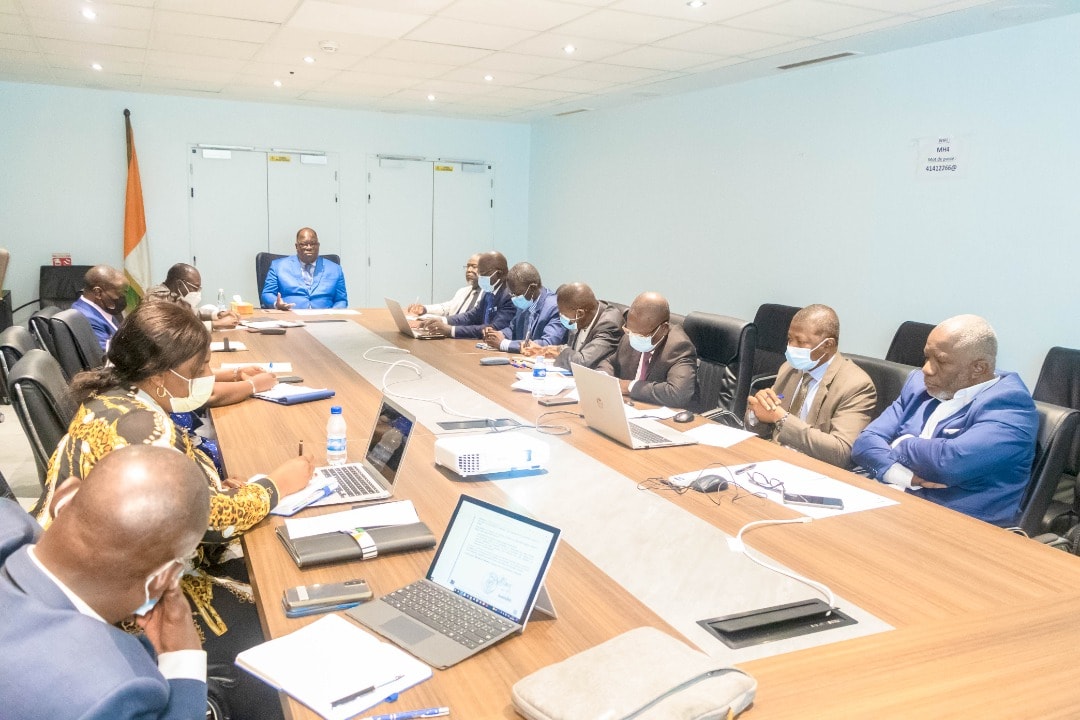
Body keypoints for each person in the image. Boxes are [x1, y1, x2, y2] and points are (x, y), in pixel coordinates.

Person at [40, 300, 313, 720]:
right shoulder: (141, 428)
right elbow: (210, 524)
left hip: (90, 583)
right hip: (124, 610)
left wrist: (208, 481)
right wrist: (277, 484)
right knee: (284, 607)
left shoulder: (116, 399)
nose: (207, 377)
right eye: (200, 368)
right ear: (163, 375)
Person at [0, 445, 210, 720]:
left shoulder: (7, 514)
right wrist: (182, 658)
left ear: (63, 497)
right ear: (163, 578)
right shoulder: (113, 691)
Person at [851, 314, 1038, 526]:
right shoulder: (918, 385)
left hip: (955, 527)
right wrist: (899, 474)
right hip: (889, 505)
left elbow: (949, 463)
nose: (927, 369)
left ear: (979, 368)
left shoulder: (1011, 407)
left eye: (940, 361)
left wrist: (901, 443)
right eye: (926, 357)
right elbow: (865, 443)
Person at [745, 304, 876, 469]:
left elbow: (842, 452)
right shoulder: (789, 368)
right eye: (789, 339)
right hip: (775, 460)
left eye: (800, 342)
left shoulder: (856, 385)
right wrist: (756, 414)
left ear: (827, 345)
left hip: (815, 470)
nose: (791, 347)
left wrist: (781, 418)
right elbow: (763, 429)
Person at [596, 292, 697, 409]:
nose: (633, 337)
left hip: (666, 418)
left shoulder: (679, 346)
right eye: (630, 331)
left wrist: (630, 386)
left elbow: (677, 394)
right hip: (630, 407)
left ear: (663, 329)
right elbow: (610, 362)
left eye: (641, 335)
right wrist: (602, 376)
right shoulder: (632, 333)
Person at [521, 282, 623, 370]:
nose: (562, 317)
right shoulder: (581, 318)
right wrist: (545, 350)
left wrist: (559, 351)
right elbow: (572, 350)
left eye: (563, 314)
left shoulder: (609, 324)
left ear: (580, 313)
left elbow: (583, 362)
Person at [420, 250, 514, 339]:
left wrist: (451, 330)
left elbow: (494, 328)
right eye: (479, 273)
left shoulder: (509, 296)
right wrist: (443, 320)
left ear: (499, 274)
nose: (480, 277)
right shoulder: (489, 291)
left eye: (483, 274)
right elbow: (471, 316)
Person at [480, 262, 566, 353]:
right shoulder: (525, 301)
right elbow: (512, 329)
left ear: (532, 288)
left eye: (517, 294)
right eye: (511, 294)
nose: (514, 298)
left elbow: (547, 344)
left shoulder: (555, 307)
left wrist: (504, 344)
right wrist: (498, 335)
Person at [260, 227, 347, 310]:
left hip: (324, 319)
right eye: (304, 244)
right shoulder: (278, 266)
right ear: (296, 246)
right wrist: (277, 304)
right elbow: (267, 294)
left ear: (318, 245)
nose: (309, 247)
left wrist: (333, 313)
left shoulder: (335, 269)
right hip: (290, 317)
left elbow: (341, 300)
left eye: (313, 244)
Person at [146, 262, 239, 329]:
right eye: (195, 287)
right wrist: (216, 324)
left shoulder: (172, 294)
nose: (197, 292)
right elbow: (171, 330)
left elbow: (190, 312)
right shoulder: (156, 297)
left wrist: (219, 315)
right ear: (179, 284)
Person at [70, 264, 127, 350]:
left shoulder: (101, 309)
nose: (123, 297)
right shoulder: (88, 319)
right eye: (120, 293)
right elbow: (107, 357)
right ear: (98, 293)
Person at [407, 253, 482, 318]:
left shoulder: (488, 295)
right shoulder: (463, 291)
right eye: (467, 266)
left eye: (474, 267)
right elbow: (448, 307)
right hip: (450, 331)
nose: (469, 270)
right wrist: (424, 309)